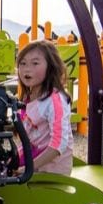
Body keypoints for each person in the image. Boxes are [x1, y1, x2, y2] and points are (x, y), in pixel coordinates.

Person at [15, 40, 73, 176]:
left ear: (51, 67)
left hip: (52, 169)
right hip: (34, 160)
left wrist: (28, 168)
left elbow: (59, 144)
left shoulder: (55, 100)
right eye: (23, 63)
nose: (27, 69)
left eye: (35, 63)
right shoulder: (27, 97)